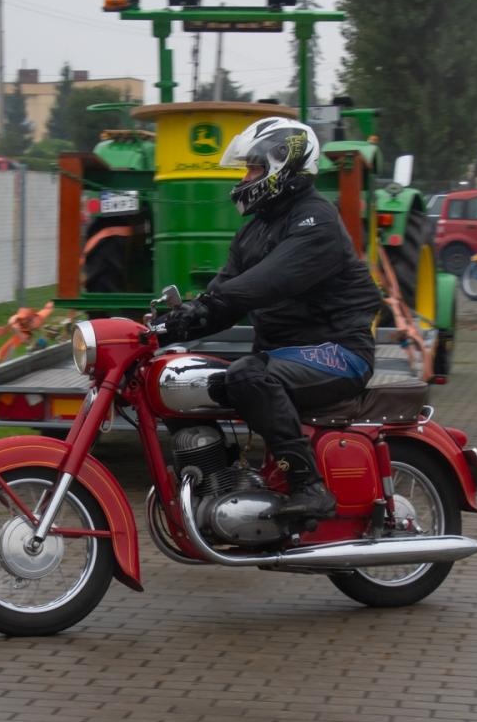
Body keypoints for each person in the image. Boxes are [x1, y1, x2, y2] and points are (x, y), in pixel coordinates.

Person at [158, 117, 383, 521]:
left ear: (284, 166)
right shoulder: (253, 232)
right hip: (285, 354)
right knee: (185, 380)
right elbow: (223, 301)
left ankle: (309, 487)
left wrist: (213, 298)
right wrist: (165, 327)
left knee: (247, 375)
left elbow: (269, 281)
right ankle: (221, 481)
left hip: (339, 351)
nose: (245, 178)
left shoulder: (316, 221)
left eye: (254, 169)